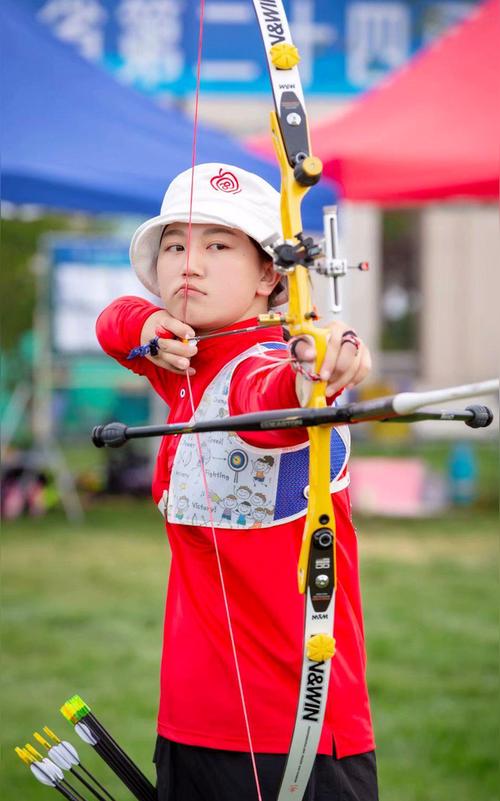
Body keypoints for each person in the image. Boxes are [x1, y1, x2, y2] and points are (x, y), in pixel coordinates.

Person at [96, 163, 377, 801]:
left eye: (218, 246)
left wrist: (321, 363)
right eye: (175, 245)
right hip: (190, 722)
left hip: (295, 732)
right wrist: (146, 328)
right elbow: (114, 319)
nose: (188, 264)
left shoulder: (266, 364)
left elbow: (276, 391)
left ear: (270, 276)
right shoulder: (181, 362)